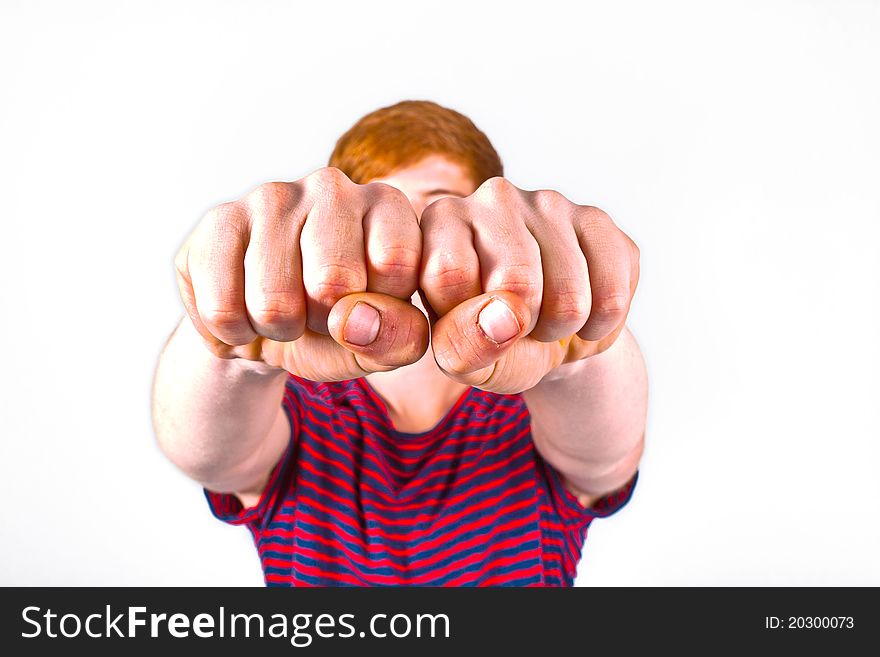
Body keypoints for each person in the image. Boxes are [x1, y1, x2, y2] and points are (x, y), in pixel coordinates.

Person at [151, 100, 648, 586]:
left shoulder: (534, 408)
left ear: (495, 229)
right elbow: (209, 456)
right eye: (381, 211)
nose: (402, 243)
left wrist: (572, 349)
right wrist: (233, 348)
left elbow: (605, 456)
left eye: (435, 209)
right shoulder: (299, 407)